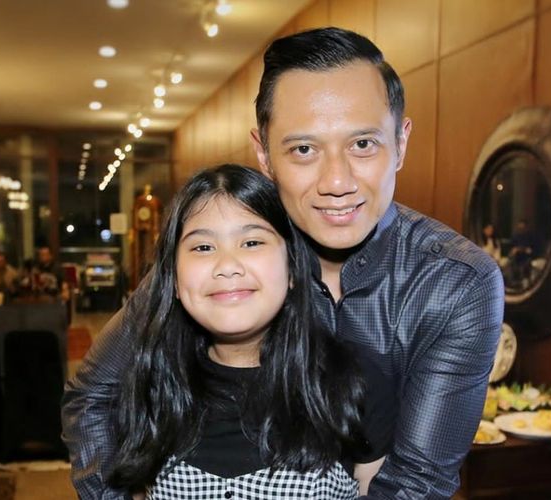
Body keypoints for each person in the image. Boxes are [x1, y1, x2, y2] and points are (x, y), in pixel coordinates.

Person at [62, 27, 504, 499]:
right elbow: (93, 396)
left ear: (401, 142)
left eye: (362, 144)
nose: (337, 182)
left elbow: (417, 481)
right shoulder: (227, 261)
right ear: (264, 156)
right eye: (303, 150)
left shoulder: (457, 283)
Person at [105, 165, 392, 498]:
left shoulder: (354, 383)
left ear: (292, 268)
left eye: (252, 242)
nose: (227, 266)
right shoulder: (149, 385)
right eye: (203, 247)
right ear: (175, 280)